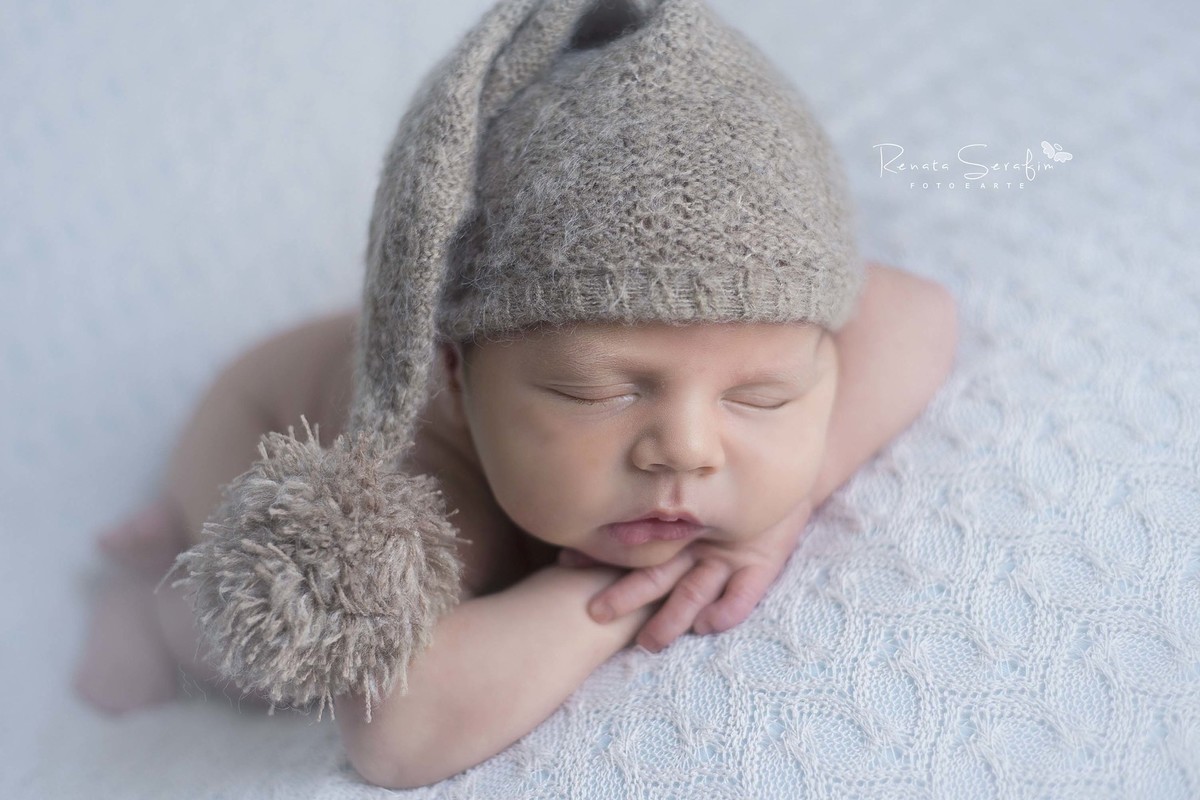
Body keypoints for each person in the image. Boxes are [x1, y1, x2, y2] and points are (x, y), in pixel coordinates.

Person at [73, 0, 958, 789]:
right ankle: (153, 588)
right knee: (273, 642)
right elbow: (395, 736)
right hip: (262, 418)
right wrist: (623, 591)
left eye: (761, 397)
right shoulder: (436, 496)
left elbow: (919, 315)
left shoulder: (766, 306)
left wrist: (786, 502)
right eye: (597, 392)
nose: (689, 449)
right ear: (456, 378)